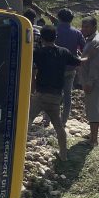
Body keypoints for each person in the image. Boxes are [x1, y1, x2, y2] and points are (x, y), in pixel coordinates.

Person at [29, 25, 81, 160]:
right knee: (58, 126)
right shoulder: (63, 52)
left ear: (41, 38)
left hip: (40, 95)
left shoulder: (37, 53)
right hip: (56, 96)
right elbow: (78, 62)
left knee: (27, 122)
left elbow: (29, 66)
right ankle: (63, 155)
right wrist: (89, 56)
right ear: (56, 37)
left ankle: (19, 151)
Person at [79, 16, 99, 146]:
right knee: (91, 108)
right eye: (83, 26)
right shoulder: (91, 40)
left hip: (94, 82)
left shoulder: (96, 42)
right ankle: (92, 134)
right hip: (92, 80)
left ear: (94, 27)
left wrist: (90, 82)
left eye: (87, 27)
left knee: (93, 109)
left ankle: (94, 140)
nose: (83, 29)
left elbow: (95, 66)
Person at [54, 8, 85, 125]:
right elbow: (84, 48)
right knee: (67, 94)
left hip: (54, 68)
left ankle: (47, 119)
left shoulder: (54, 31)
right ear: (71, 19)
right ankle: (64, 120)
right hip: (71, 68)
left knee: (52, 93)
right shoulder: (77, 33)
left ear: (59, 18)